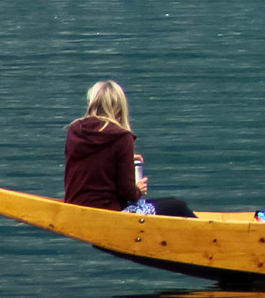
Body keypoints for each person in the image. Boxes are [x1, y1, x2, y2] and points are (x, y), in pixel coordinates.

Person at [64, 80, 195, 217]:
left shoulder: (74, 129)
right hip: (110, 212)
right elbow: (128, 193)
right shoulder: (121, 137)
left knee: (172, 203)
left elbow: (91, 162)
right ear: (120, 106)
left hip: (74, 207)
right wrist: (138, 189)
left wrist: (122, 157)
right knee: (177, 205)